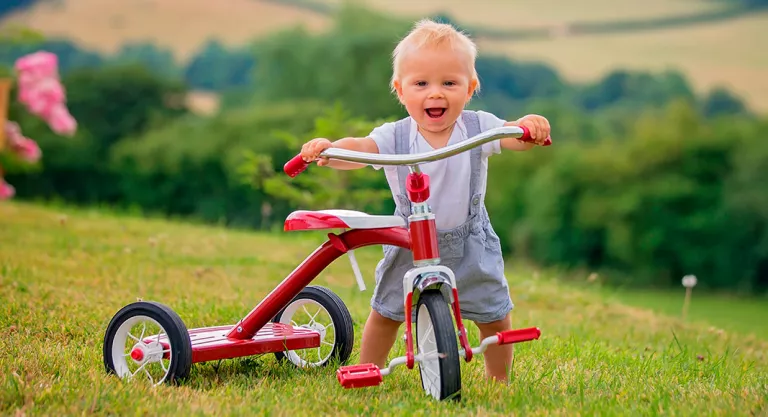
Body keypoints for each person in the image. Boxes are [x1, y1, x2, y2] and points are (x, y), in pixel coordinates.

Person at [299, 18, 551, 382]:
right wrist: (329, 149)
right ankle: (365, 370)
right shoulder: (395, 136)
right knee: (386, 312)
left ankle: (500, 380)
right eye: (421, 84)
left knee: (493, 311)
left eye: (449, 83)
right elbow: (359, 150)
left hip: (469, 242)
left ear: (470, 88)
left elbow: (514, 136)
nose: (436, 93)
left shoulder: (478, 128)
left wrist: (529, 127)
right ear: (400, 91)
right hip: (409, 241)